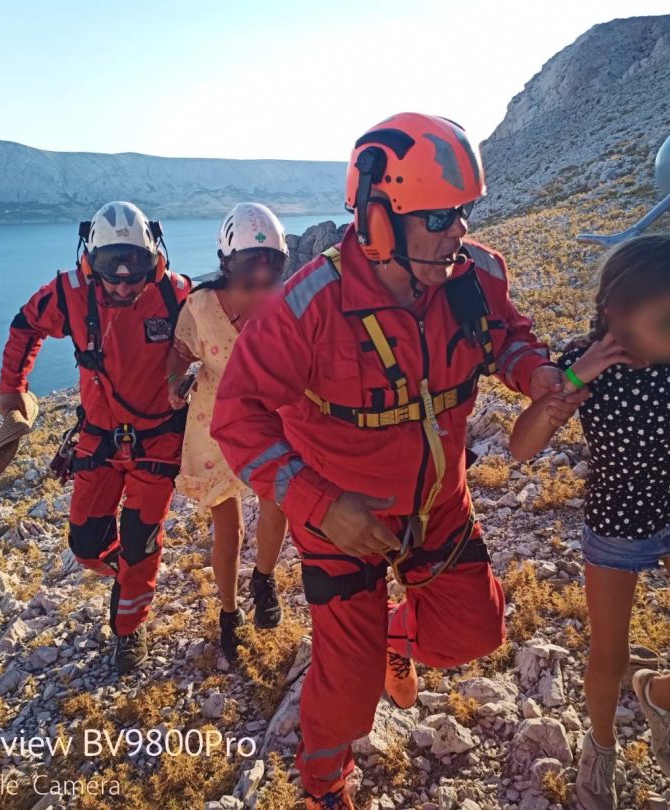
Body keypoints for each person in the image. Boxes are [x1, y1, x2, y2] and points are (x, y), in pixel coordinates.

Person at [211, 113, 587, 808]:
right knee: (348, 693)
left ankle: (390, 636)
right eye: (440, 217)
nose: (459, 231)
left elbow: (506, 336)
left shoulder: (475, 275)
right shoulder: (308, 307)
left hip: (439, 503)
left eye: (464, 213)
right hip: (340, 524)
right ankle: (325, 786)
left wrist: (532, 370)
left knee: (476, 631)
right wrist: (323, 507)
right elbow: (236, 416)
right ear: (379, 220)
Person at [509, 235, 670, 810]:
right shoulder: (590, 363)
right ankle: (601, 745)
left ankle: (657, 694)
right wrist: (573, 381)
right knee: (608, 659)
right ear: (618, 316)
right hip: (615, 528)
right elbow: (521, 448)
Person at [0, 201, 191, 675]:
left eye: (135, 273)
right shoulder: (70, 294)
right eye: (112, 274)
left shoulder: (176, 294)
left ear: (152, 259)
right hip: (99, 440)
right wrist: (13, 389)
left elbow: (223, 331)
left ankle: (129, 628)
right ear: (92, 261)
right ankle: (132, 571)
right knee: (85, 545)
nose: (124, 284)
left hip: (159, 443)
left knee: (141, 541)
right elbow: (26, 325)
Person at [166, 203, 289, 660]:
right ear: (226, 265)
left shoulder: (286, 304)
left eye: (269, 273)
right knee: (228, 526)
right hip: (214, 420)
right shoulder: (200, 306)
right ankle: (229, 612)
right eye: (248, 274)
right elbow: (180, 351)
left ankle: (264, 579)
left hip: (269, 413)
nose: (259, 285)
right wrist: (174, 383)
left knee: (278, 498)